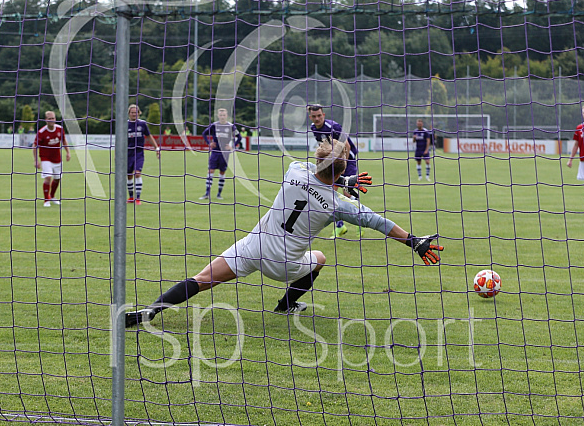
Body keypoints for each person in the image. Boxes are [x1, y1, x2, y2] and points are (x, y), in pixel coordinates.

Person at [125, 139, 443, 327]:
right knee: (319, 258)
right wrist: (413, 242)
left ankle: (149, 311)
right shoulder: (339, 206)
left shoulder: (294, 170)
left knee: (201, 280)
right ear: (342, 171)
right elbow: (379, 223)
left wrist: (340, 177)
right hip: (284, 266)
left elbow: (315, 170)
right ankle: (286, 305)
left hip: (253, 248)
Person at [308, 104, 359, 238]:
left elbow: (346, 145)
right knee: (330, 193)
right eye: (314, 116)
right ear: (310, 117)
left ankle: (359, 215)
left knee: (346, 194)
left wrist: (343, 165)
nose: (317, 118)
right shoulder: (313, 128)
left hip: (347, 160)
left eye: (319, 115)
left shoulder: (333, 127)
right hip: (332, 162)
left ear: (323, 115)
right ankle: (340, 226)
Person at [200, 108, 242, 200]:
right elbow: (204, 133)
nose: (222, 117)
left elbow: (239, 137)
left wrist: (233, 146)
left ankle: (219, 194)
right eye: (220, 115)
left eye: (224, 115)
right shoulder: (214, 125)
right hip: (215, 152)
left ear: (226, 116)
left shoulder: (231, 126)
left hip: (225, 153)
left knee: (222, 172)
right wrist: (209, 143)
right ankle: (207, 193)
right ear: (218, 116)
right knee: (210, 171)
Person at [33, 111, 71, 207]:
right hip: (45, 158)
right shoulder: (41, 132)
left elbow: (64, 140)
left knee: (57, 179)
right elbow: (34, 145)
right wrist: (36, 160)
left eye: (53, 118)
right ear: (46, 120)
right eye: (49, 119)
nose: (51, 120)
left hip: (57, 158)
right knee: (48, 177)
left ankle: (52, 196)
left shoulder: (60, 129)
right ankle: (46, 200)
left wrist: (68, 152)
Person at [127, 104, 160, 205]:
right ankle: (131, 197)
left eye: (136, 112)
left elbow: (149, 136)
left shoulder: (142, 124)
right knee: (129, 176)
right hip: (128, 153)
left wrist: (156, 148)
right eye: (132, 112)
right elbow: (119, 140)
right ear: (129, 114)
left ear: (139, 113)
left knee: (137, 173)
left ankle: (138, 198)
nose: (134, 114)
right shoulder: (125, 125)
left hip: (139, 153)